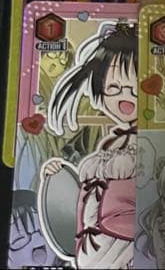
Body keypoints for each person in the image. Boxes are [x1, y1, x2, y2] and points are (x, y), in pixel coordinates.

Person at [40, 23, 138, 268]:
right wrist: (59, 175)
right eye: (114, 88)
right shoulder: (112, 142)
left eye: (135, 89)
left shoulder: (146, 143)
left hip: (125, 247)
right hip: (93, 244)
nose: (125, 97)